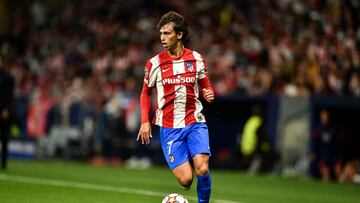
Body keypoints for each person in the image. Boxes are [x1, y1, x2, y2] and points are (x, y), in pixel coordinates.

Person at [137, 11, 214, 203]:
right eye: (161, 34)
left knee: (202, 168)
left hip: (194, 121)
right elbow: (145, 92)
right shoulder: (154, 63)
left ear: (179, 35)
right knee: (186, 180)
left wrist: (209, 93)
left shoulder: (196, 59)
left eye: (167, 33)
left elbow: (206, 85)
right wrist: (145, 121)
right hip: (169, 127)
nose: (162, 38)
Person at [0, 56, 15, 170]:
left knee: (4, 137)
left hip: (4, 110)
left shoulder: (7, 77)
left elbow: (10, 95)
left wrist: (6, 109)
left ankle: (4, 162)